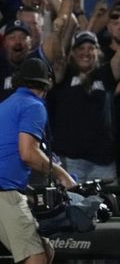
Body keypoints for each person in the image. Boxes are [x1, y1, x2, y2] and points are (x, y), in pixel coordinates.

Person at [0, 58, 77, 264]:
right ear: (45, 85)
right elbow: (28, 153)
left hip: (5, 190)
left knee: (45, 250)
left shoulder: (6, 104)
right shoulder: (33, 105)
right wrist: (63, 175)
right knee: (36, 258)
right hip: (4, 191)